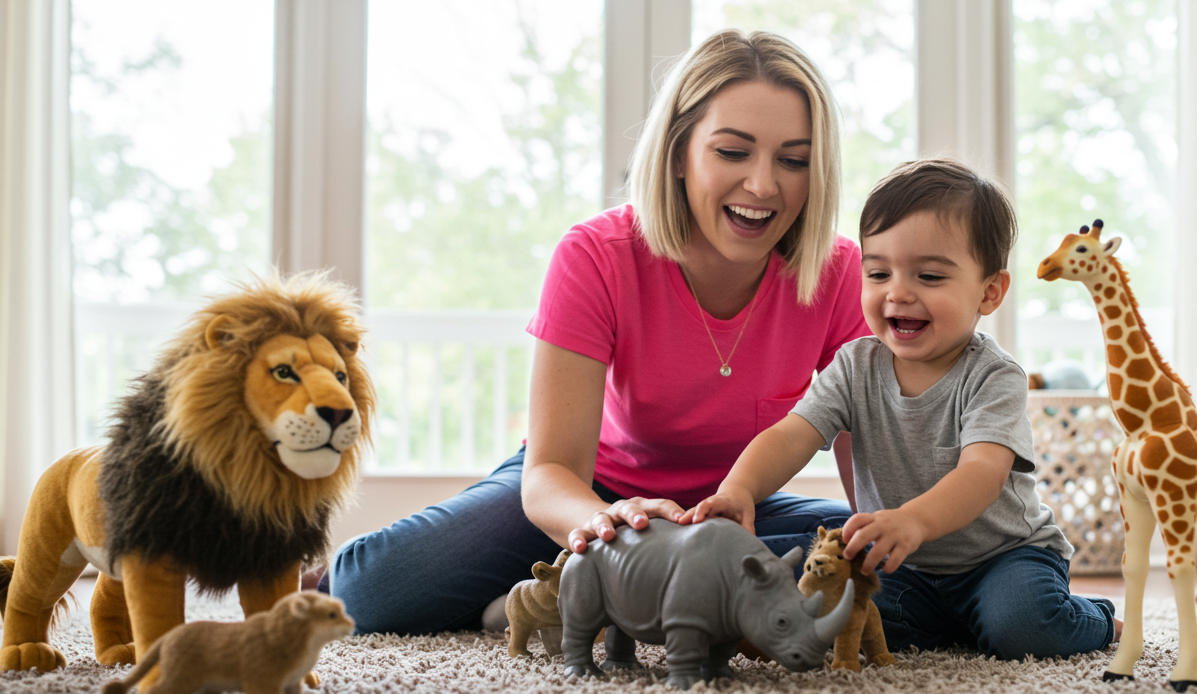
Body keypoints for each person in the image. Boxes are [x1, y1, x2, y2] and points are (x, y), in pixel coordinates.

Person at [323, 30, 869, 635]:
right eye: (733, 152)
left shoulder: (840, 272)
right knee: (373, 589)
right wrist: (609, 523)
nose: (764, 186)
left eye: (793, 160)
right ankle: (590, 584)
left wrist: (878, 542)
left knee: (881, 572)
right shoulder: (597, 255)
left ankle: (594, 598)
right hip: (596, 495)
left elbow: (870, 479)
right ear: (679, 153)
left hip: (735, 510)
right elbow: (551, 472)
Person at [684, 158, 1119, 660]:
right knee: (836, 607)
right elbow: (792, 434)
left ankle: (1098, 618)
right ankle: (954, 624)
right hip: (903, 565)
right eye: (878, 273)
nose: (898, 292)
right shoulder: (855, 365)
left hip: (1003, 558)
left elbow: (983, 472)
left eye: (930, 276)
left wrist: (913, 520)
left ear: (989, 291)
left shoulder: (995, 376)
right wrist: (739, 489)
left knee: (1023, 628)